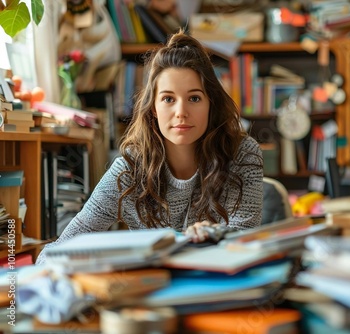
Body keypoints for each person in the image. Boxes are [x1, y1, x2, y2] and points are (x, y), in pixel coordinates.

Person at [36, 30, 264, 264]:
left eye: (194, 98)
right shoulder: (129, 168)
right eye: (168, 99)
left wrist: (213, 239)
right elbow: (53, 254)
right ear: (153, 108)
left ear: (210, 104)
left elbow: (245, 247)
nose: (181, 112)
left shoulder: (242, 154)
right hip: (151, 290)